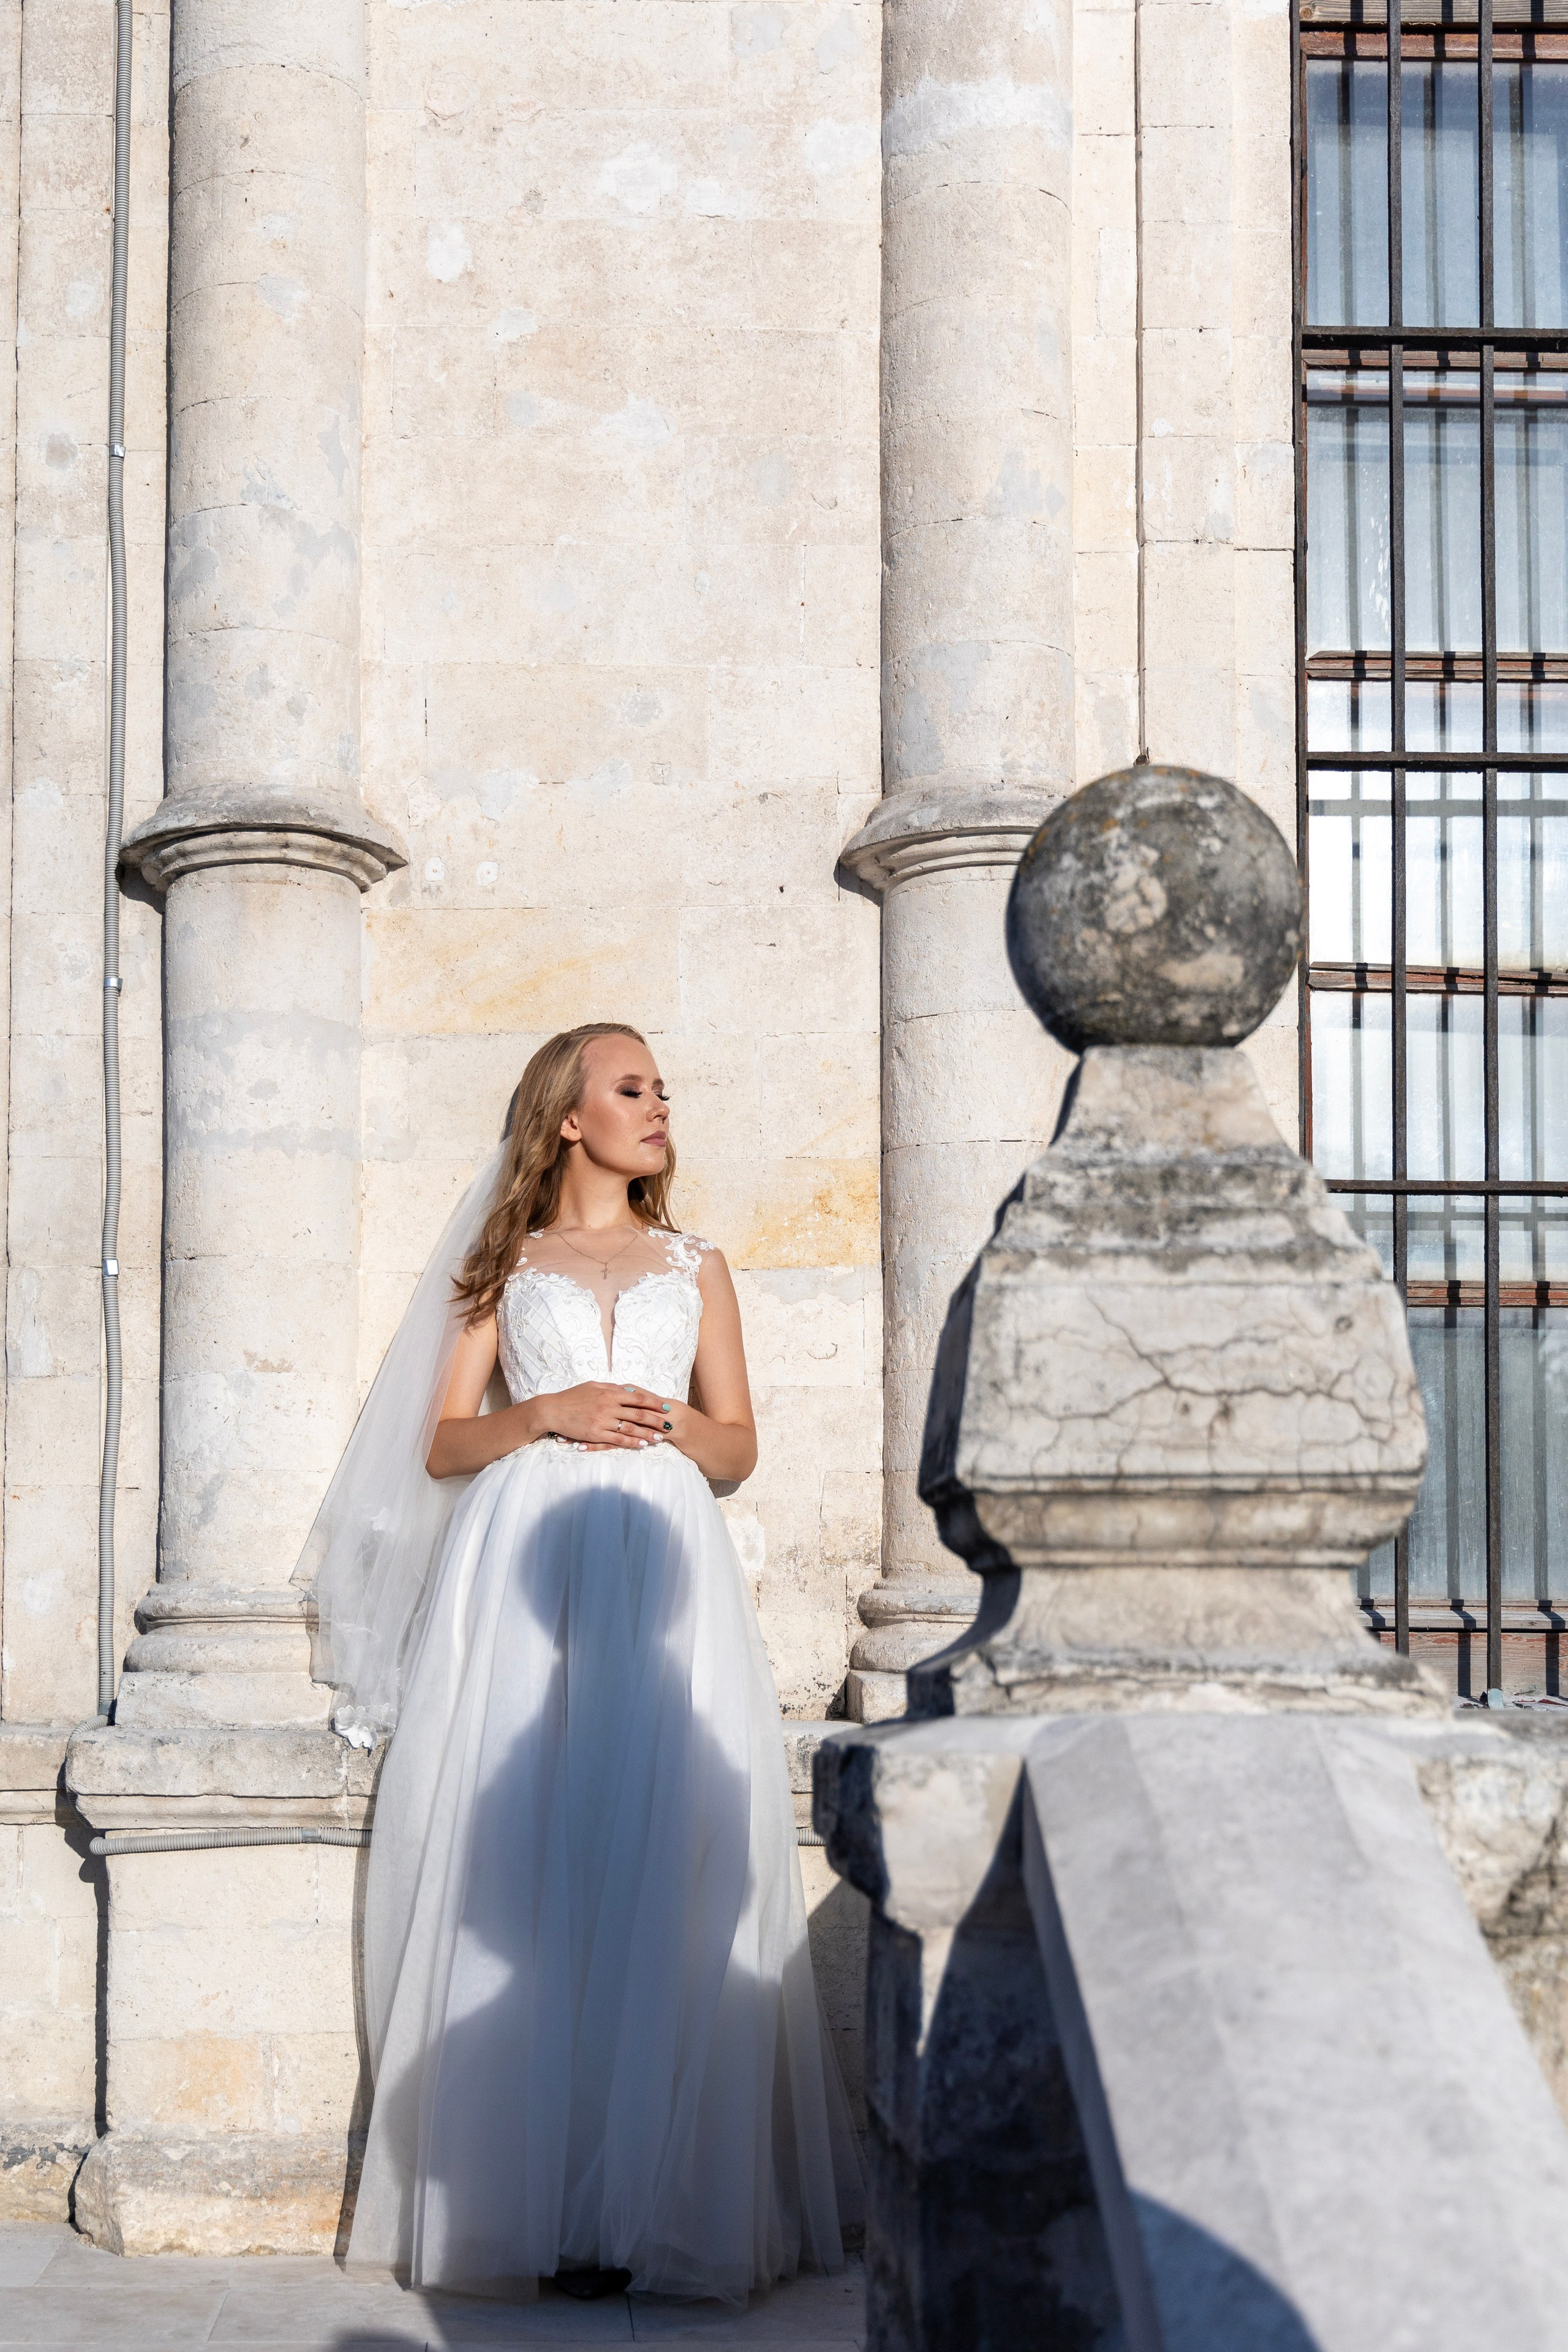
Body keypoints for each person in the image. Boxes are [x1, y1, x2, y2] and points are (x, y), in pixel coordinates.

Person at [300, 1022, 861, 2304]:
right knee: (533, 1859)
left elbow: (737, 1450)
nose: (659, 1104)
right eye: (631, 1087)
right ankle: (535, 2210)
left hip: (661, 1565)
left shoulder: (695, 1265)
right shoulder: (505, 1264)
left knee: (658, 1855)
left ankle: (650, 2209)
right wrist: (546, 1413)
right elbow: (444, 1445)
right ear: (567, 1116)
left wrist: (669, 1428)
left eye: (663, 1086)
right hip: (524, 1570)